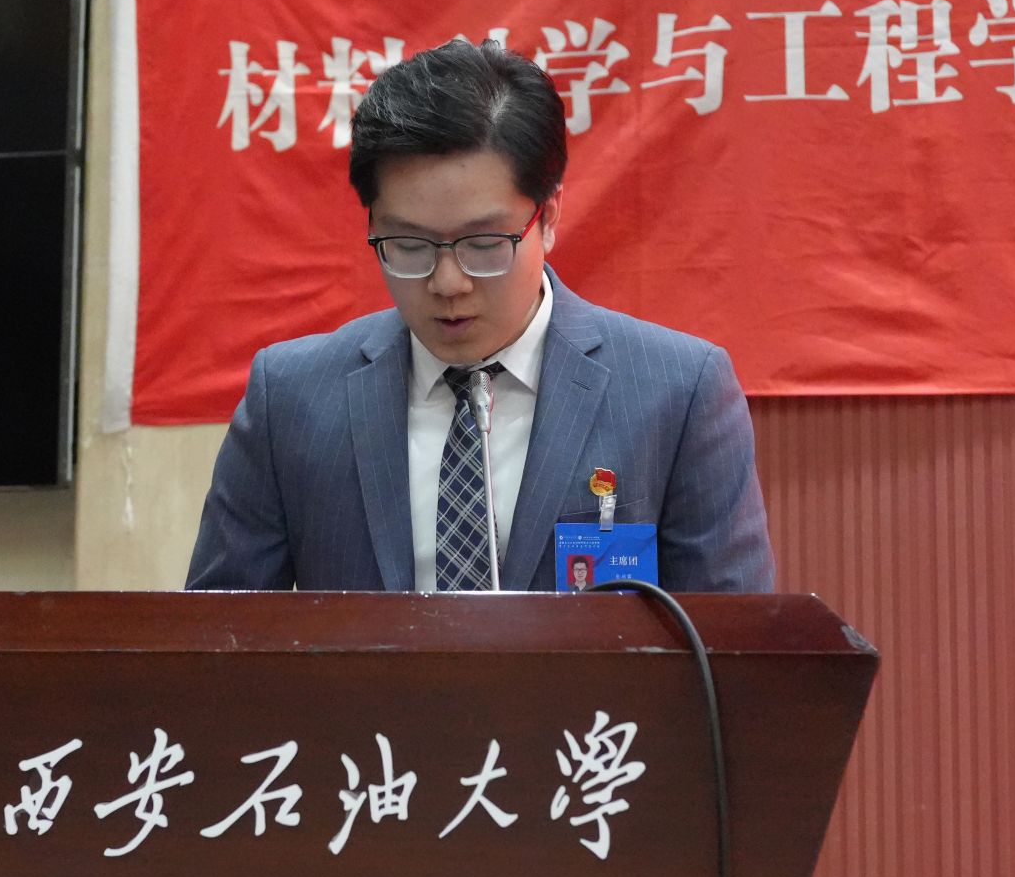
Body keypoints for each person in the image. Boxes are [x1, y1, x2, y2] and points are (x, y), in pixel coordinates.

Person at [186, 38, 775, 593]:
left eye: (484, 243)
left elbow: (729, 646)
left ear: (547, 217)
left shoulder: (676, 393)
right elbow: (218, 643)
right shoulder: (291, 399)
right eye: (408, 245)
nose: (448, 282)